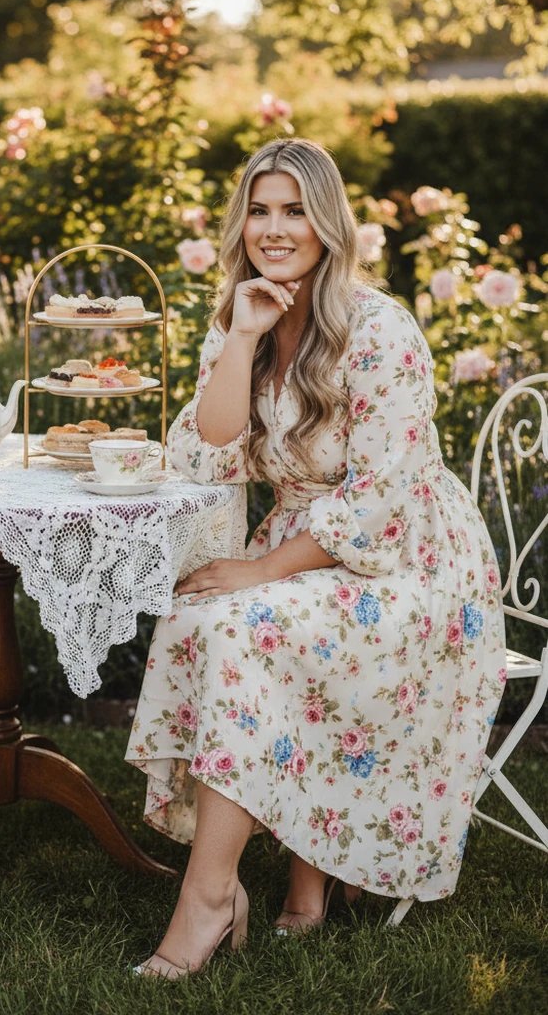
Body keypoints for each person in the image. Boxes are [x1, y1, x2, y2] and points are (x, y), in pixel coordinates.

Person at [126, 138, 507, 979]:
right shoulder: (246, 317)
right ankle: (299, 881)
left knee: (244, 624)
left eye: (293, 209)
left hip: (412, 561)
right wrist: (242, 335)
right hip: (308, 546)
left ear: (327, 222)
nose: (274, 227)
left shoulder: (379, 328)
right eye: (259, 209)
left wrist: (265, 572)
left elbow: (381, 494)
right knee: (200, 611)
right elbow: (209, 451)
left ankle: (210, 895)